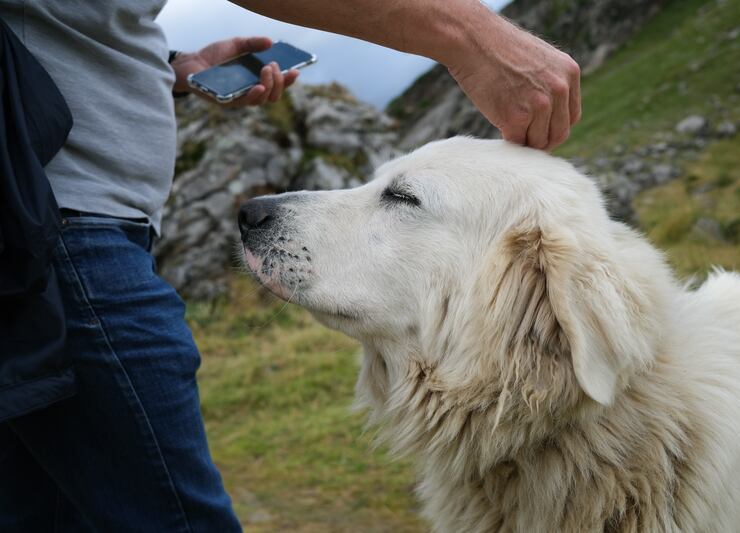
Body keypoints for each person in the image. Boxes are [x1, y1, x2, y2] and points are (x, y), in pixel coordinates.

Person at [0, 1, 580, 531]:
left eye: (402, 200)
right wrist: (471, 34)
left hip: (62, 226)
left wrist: (173, 68)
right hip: (65, 228)